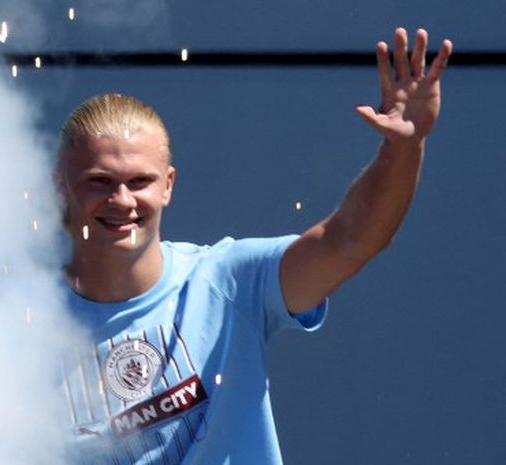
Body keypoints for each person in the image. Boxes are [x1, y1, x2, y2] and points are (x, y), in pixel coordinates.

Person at [54, 28, 453, 465]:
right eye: (100, 182)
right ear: (61, 186)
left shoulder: (229, 279)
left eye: (140, 181)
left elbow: (355, 239)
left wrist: (405, 146)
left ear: (168, 185)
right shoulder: (19, 321)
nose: (123, 200)